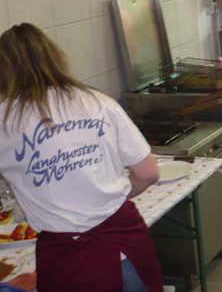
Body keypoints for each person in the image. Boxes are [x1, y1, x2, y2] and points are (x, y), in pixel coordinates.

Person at [0, 23, 164, 292]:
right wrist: (109, 197)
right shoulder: (97, 100)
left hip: (69, 260)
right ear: (54, 57)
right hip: (130, 244)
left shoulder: (4, 120)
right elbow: (148, 173)